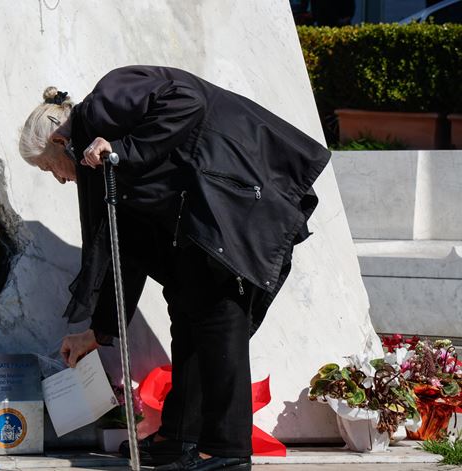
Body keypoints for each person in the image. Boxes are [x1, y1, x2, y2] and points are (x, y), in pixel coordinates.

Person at [18, 66, 330, 471]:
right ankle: (181, 436)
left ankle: (226, 449)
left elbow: (188, 100)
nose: (59, 179)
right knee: (188, 304)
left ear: (61, 141)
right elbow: (124, 250)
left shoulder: (104, 102)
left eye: (49, 168)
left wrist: (123, 149)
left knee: (220, 313)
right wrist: (97, 332)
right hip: (205, 213)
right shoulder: (102, 161)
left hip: (235, 195)